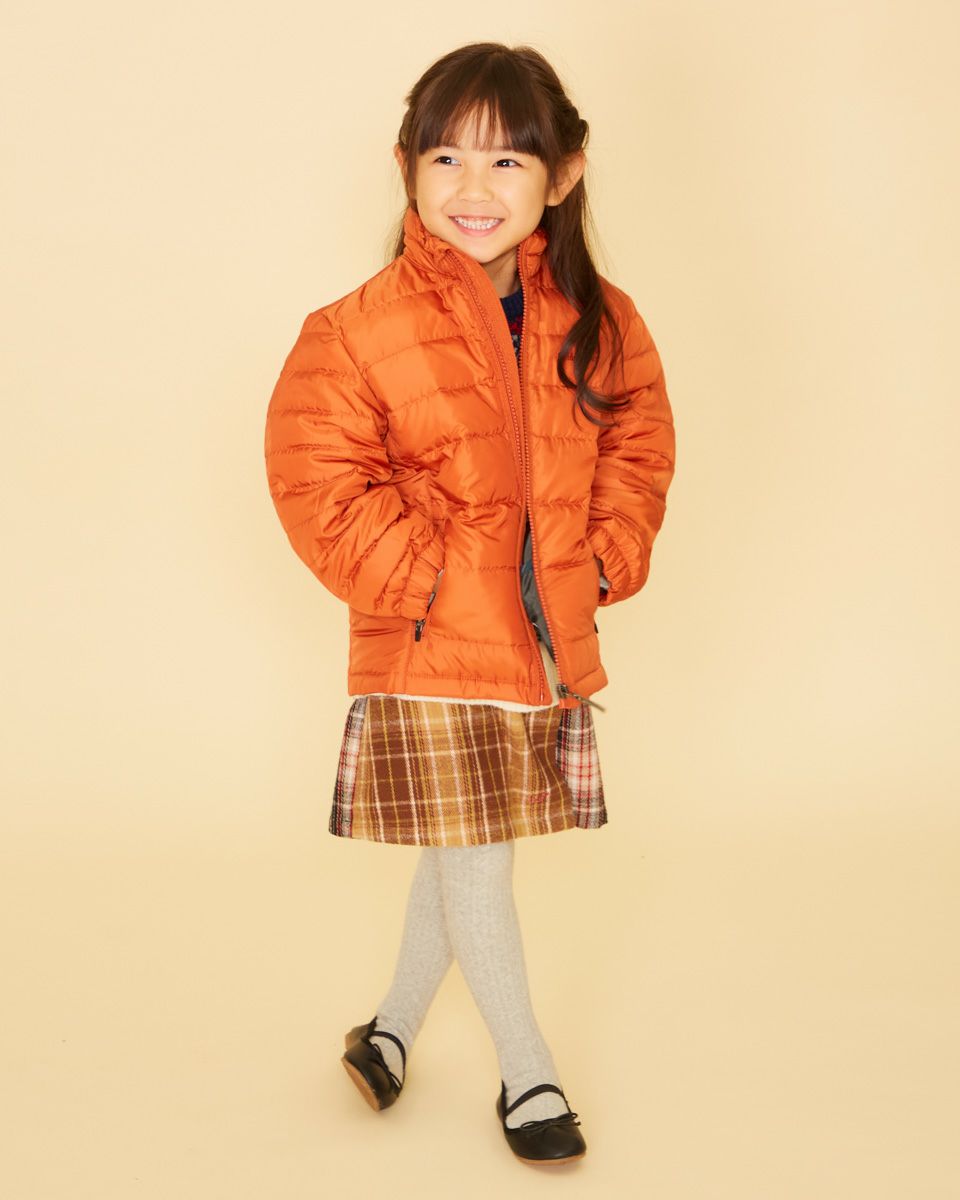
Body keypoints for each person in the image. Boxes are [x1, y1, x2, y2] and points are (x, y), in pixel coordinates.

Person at [263, 42, 676, 1166]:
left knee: (459, 852)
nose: (473, 187)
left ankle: (390, 1030)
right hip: (430, 640)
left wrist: (601, 560)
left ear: (564, 173)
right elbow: (317, 481)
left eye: (507, 159)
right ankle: (528, 1073)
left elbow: (639, 445)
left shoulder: (599, 320)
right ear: (406, 166)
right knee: (481, 856)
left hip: (540, 641)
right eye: (446, 156)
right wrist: (430, 581)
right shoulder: (353, 330)